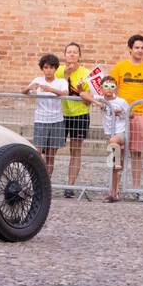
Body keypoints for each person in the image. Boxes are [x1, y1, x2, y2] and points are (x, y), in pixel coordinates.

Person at [110, 34, 143, 193]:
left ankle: (136, 189)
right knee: (118, 150)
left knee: (137, 153)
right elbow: (111, 89)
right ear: (130, 49)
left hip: (141, 114)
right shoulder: (120, 67)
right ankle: (115, 188)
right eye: (137, 47)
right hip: (122, 116)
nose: (140, 50)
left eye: (142, 48)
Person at [55, 42, 93, 196]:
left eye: (75, 52)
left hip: (80, 115)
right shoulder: (57, 71)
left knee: (75, 150)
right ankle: (44, 181)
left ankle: (70, 186)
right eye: (69, 52)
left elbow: (89, 99)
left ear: (80, 56)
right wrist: (66, 76)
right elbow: (57, 91)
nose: (71, 54)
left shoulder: (87, 73)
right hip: (61, 114)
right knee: (52, 149)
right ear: (64, 55)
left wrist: (83, 92)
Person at [25, 54, 69, 178]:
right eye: (45, 67)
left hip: (57, 120)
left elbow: (65, 93)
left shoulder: (61, 82)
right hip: (41, 120)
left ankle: (47, 180)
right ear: (42, 68)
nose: (48, 70)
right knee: (37, 152)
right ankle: (37, 177)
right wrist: (29, 88)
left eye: (51, 67)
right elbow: (23, 91)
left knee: (51, 154)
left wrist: (50, 89)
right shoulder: (38, 80)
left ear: (55, 69)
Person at [97, 76, 128, 202]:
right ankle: (114, 193)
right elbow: (84, 95)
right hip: (109, 133)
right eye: (106, 86)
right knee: (113, 167)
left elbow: (130, 115)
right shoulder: (101, 100)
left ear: (116, 88)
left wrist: (121, 112)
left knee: (113, 143)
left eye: (112, 86)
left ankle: (117, 164)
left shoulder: (121, 101)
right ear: (101, 88)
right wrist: (98, 104)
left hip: (121, 133)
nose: (109, 89)